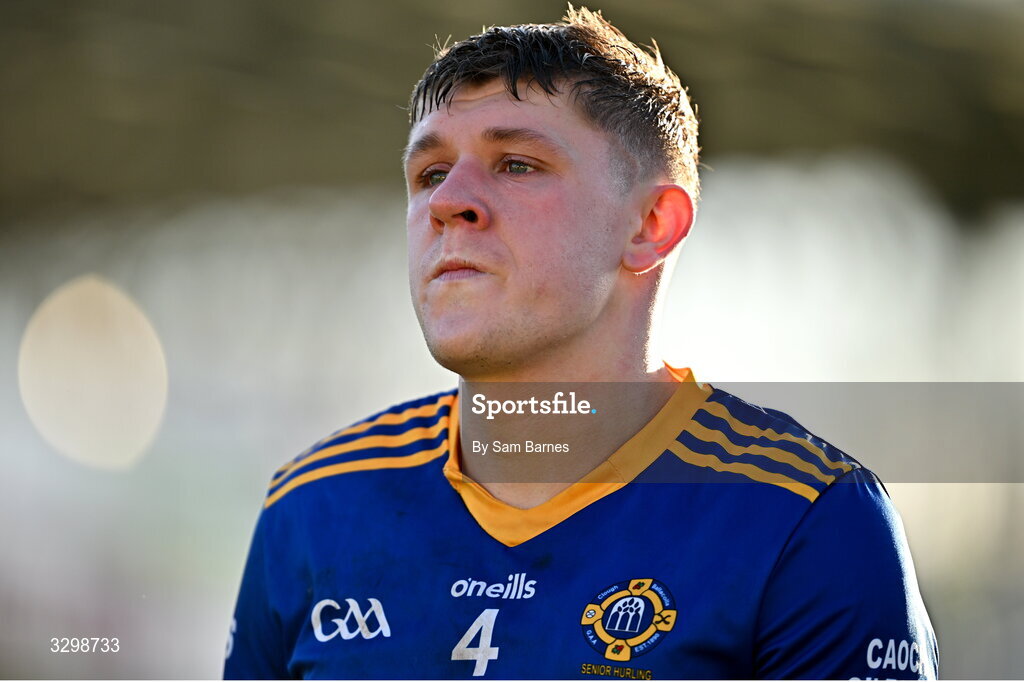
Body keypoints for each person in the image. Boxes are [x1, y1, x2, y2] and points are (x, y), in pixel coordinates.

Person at [224, 7, 938, 679]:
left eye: (517, 164)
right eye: (430, 173)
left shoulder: (807, 522)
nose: (446, 204)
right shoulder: (314, 506)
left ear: (651, 223)